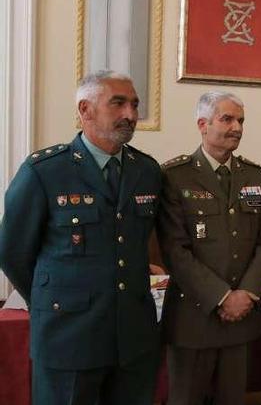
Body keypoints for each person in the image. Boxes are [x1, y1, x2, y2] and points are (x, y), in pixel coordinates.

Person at [0, 70, 161, 404]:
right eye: (118, 103)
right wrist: (49, 300)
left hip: (132, 338)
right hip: (68, 336)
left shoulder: (146, 171)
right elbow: (12, 252)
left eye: (134, 104)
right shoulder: (45, 170)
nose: (131, 114)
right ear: (85, 110)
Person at [157, 91, 261, 405]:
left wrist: (246, 294)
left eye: (241, 120)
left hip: (242, 318)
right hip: (193, 318)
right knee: (185, 399)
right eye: (227, 119)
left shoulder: (254, 175)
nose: (237, 127)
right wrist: (222, 297)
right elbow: (174, 249)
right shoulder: (175, 176)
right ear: (202, 124)